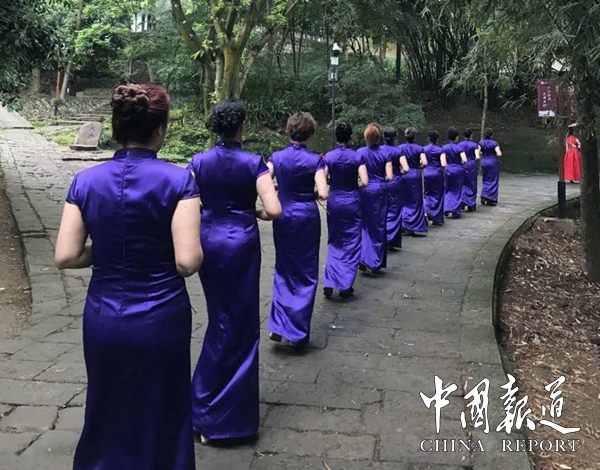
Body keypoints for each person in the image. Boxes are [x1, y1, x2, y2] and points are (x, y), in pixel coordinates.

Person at [55, 83, 203, 470]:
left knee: (106, 406)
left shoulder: (84, 182)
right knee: (163, 408)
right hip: (161, 316)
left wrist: (105, 249)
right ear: (161, 128)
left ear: (116, 127)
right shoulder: (179, 182)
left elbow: (66, 255)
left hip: (103, 314)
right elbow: (188, 261)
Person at [188, 100, 281, 443]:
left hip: (209, 239)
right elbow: (274, 209)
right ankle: (228, 417)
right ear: (242, 126)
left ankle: (204, 406)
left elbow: (188, 202)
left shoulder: (197, 162)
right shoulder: (254, 163)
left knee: (219, 319)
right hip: (241, 242)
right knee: (241, 324)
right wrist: (253, 212)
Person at [268, 112, 328, 346]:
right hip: (306, 217)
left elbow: (263, 182)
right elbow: (323, 193)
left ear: (288, 130)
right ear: (310, 132)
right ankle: (296, 330)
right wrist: (309, 191)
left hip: (283, 215)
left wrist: (281, 186)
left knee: (284, 267)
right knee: (306, 271)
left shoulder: (276, 157)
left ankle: (278, 323)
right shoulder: (316, 160)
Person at [323, 122, 368, 299]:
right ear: (350, 136)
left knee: (334, 240)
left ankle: (329, 280)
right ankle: (344, 284)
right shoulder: (357, 157)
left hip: (334, 201)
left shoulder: (329, 157)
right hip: (352, 201)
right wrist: (352, 185)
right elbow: (365, 181)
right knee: (351, 242)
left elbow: (323, 179)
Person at [358, 123, 393, 273]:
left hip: (364, 191)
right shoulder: (385, 153)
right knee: (379, 225)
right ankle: (375, 261)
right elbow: (389, 177)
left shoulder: (359, 153)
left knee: (363, 224)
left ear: (366, 137)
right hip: (379, 191)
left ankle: (363, 257)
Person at [399, 126, 427, 235]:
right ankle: (413, 225)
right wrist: (418, 166)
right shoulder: (419, 148)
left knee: (404, 199)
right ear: (415, 136)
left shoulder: (400, 148)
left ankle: (403, 222)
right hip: (415, 174)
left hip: (404, 174)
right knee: (415, 200)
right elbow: (424, 162)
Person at [381, 127, 403, 251]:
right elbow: (405, 168)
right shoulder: (398, 151)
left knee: (381, 209)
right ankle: (391, 238)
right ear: (394, 137)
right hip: (395, 181)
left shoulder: (379, 150)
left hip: (381, 182)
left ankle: (381, 237)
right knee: (395, 210)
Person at [442, 127, 467, 218]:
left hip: (448, 169)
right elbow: (464, 159)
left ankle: (446, 207)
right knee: (457, 190)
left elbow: (443, 161)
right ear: (456, 137)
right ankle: (455, 210)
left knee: (447, 189)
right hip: (457, 170)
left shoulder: (444, 147)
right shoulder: (459, 147)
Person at [423, 130, 446, 225]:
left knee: (427, 194)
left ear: (428, 138)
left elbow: (422, 162)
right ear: (437, 139)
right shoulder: (441, 150)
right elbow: (443, 164)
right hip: (437, 173)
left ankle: (425, 212)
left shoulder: (423, 149)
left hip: (426, 173)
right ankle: (436, 217)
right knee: (438, 195)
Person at [479, 128, 503, 205]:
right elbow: (499, 153)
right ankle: (490, 198)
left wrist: (483, 153)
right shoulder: (494, 143)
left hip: (484, 161)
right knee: (493, 180)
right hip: (492, 162)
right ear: (492, 135)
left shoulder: (481, 143)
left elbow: (478, 152)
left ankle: (484, 193)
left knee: (485, 179)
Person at [460, 128, 480, 212]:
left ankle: (462, 200)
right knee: (471, 183)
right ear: (471, 135)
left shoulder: (460, 144)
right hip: (471, 164)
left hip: (462, 164)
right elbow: (477, 157)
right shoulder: (474, 145)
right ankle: (471, 204)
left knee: (462, 183)